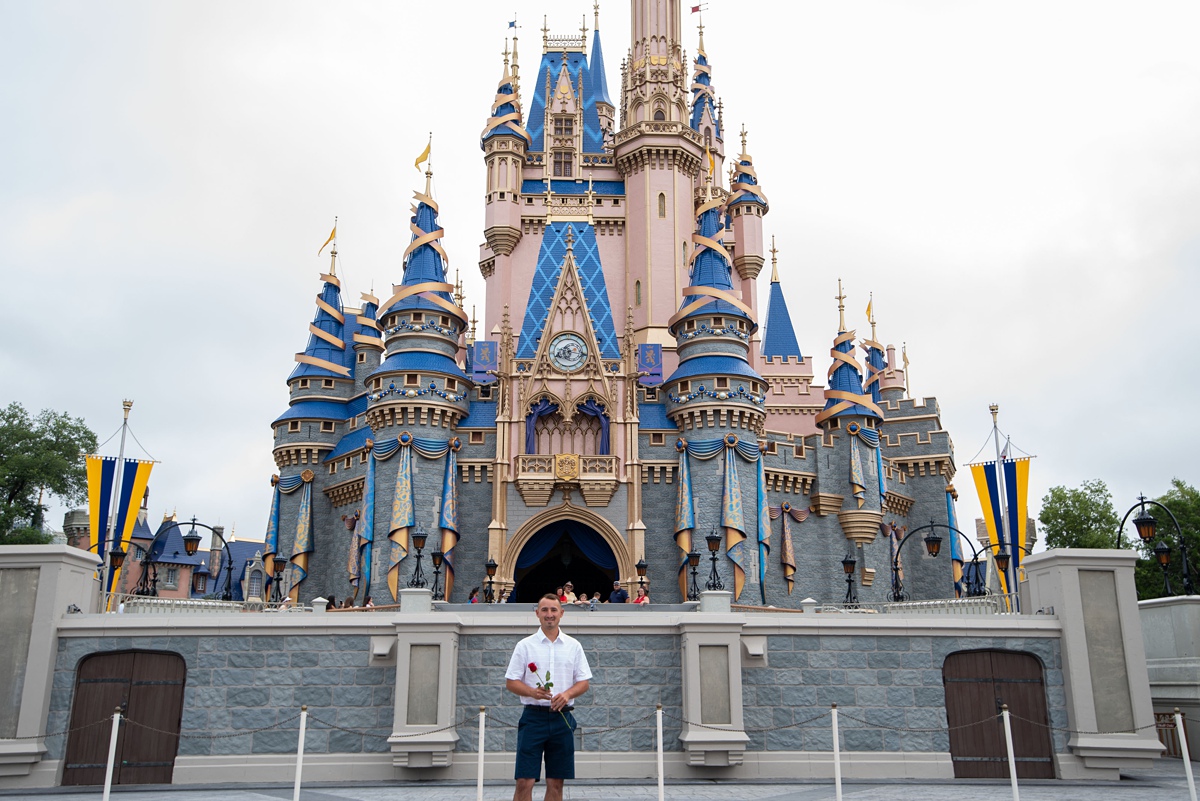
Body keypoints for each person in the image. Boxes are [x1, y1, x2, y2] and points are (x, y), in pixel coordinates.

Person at [505, 594, 592, 801]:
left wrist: (567, 694)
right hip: (533, 718)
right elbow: (511, 682)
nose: (549, 615)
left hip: (562, 719)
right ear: (537, 613)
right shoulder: (524, 646)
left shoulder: (574, 646)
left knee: (556, 783)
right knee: (524, 781)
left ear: (562, 613)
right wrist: (532, 692)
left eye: (553, 610)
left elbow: (584, 683)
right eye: (544, 610)